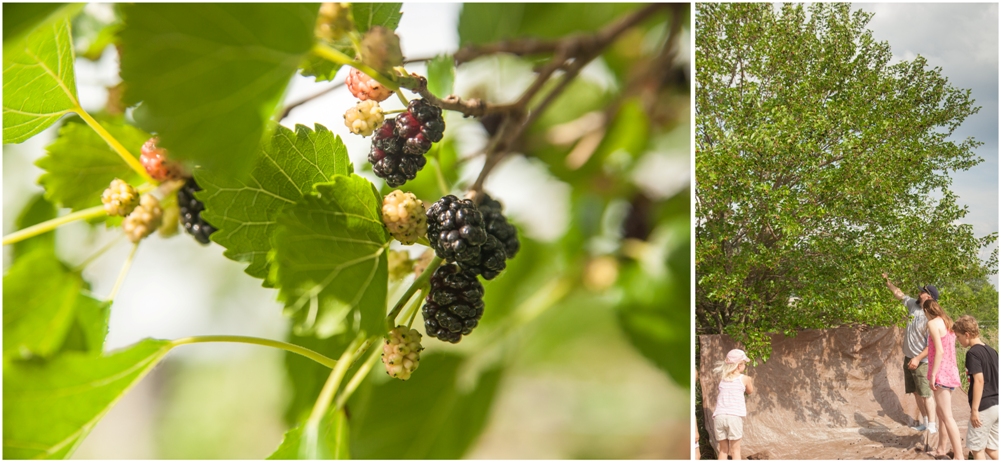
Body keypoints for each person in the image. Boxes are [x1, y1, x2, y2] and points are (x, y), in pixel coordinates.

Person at [882, 274, 937, 434]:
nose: (918, 293)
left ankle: (932, 426)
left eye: (922, 292)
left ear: (929, 296)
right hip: (909, 358)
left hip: (922, 361)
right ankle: (925, 422)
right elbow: (899, 294)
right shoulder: (914, 305)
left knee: (926, 394)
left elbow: (932, 346)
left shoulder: (931, 315)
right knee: (915, 392)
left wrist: (917, 358)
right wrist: (888, 282)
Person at [954, 315, 999, 460]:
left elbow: (979, 381)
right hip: (997, 405)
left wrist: (974, 411)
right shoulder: (993, 351)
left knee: (976, 449)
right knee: (991, 449)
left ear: (967, 335)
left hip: (984, 407)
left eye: (959, 336)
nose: (958, 340)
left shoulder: (972, 353)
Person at [923, 299, 964, 459]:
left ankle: (959, 456)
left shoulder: (933, 324)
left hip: (941, 373)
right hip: (951, 371)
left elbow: (939, 351)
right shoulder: (947, 322)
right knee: (941, 414)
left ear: (927, 311)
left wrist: (933, 374)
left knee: (947, 416)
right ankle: (941, 449)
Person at [713, 349, 754, 460]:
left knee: (723, 450)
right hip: (734, 417)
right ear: (739, 366)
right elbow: (750, 391)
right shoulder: (745, 378)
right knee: (735, 450)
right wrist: (749, 380)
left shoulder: (722, 378)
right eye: (744, 364)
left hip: (719, 416)